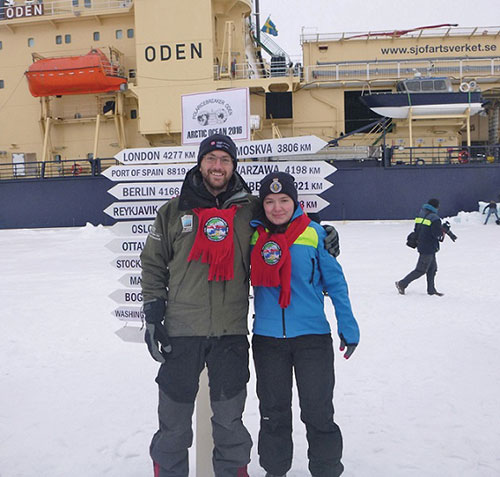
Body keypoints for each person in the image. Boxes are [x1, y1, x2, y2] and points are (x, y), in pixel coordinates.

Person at [140, 134, 257, 477]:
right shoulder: (173, 211)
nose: (217, 166)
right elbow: (153, 263)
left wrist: (320, 232)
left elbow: (285, 228)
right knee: (174, 421)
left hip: (230, 332)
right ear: (200, 163)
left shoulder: (250, 208)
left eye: (225, 160)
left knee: (229, 421)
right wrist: (152, 312)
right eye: (211, 159)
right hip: (182, 331)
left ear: (233, 166)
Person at [249, 172, 360, 477]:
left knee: (318, 412)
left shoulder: (315, 234)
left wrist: (348, 326)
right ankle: (275, 470)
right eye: (269, 201)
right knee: (273, 414)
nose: (277, 207)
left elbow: (336, 284)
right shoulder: (253, 236)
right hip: (268, 340)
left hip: (312, 338)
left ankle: (326, 471)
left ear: (295, 201)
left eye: (284, 200)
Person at [395, 198, 445, 296]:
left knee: (432, 269)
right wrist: (443, 231)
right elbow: (438, 235)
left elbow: (416, 229)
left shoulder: (421, 215)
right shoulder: (435, 219)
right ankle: (402, 283)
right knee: (421, 270)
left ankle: (431, 290)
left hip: (422, 245)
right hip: (429, 247)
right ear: (436, 206)